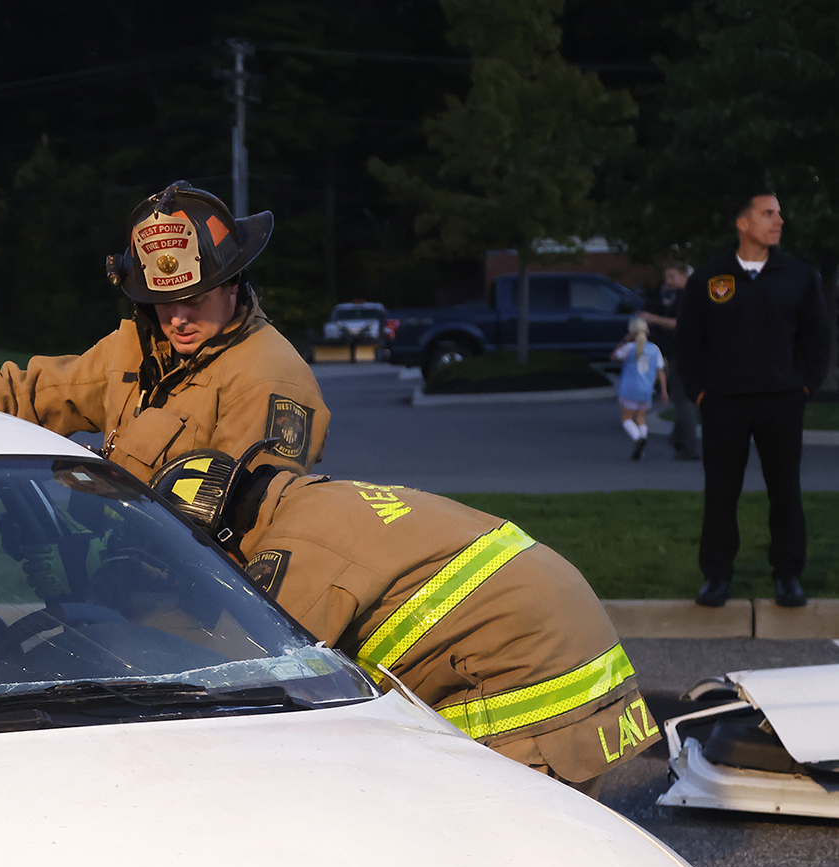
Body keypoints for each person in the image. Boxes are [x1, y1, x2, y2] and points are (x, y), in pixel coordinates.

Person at [151, 446, 655, 794]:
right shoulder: (315, 500)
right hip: (579, 659)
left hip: (535, 694)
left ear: (218, 544)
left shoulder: (294, 553)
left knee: (479, 862)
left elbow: (265, 684)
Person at [0, 180, 328, 487]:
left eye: (192, 301)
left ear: (233, 284)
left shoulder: (269, 378)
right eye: (161, 305)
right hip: (127, 582)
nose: (177, 320)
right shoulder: (138, 347)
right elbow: (30, 392)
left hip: (199, 613)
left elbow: (242, 510)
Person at [677, 192, 834, 609]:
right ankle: (716, 577)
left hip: (782, 402)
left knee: (785, 491)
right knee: (721, 493)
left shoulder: (799, 276)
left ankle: (788, 576)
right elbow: (688, 343)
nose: (779, 220)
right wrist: (701, 393)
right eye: (768, 213)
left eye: (780, 212)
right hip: (724, 403)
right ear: (743, 223)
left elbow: (818, 340)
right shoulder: (710, 278)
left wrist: (804, 388)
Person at [641, 262, 699, 460]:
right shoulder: (682, 297)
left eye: (673, 276)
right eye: (667, 277)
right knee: (683, 397)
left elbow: (679, 324)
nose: (669, 281)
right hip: (683, 353)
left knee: (682, 399)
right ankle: (678, 438)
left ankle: (689, 447)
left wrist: (652, 318)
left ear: (685, 276)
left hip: (685, 355)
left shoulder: (688, 298)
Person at [611, 316, 666, 459]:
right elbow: (660, 372)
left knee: (627, 418)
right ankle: (641, 447)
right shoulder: (655, 349)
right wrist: (664, 391)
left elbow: (614, 356)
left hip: (630, 388)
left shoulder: (629, 348)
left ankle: (637, 439)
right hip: (647, 389)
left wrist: (625, 339)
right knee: (641, 418)